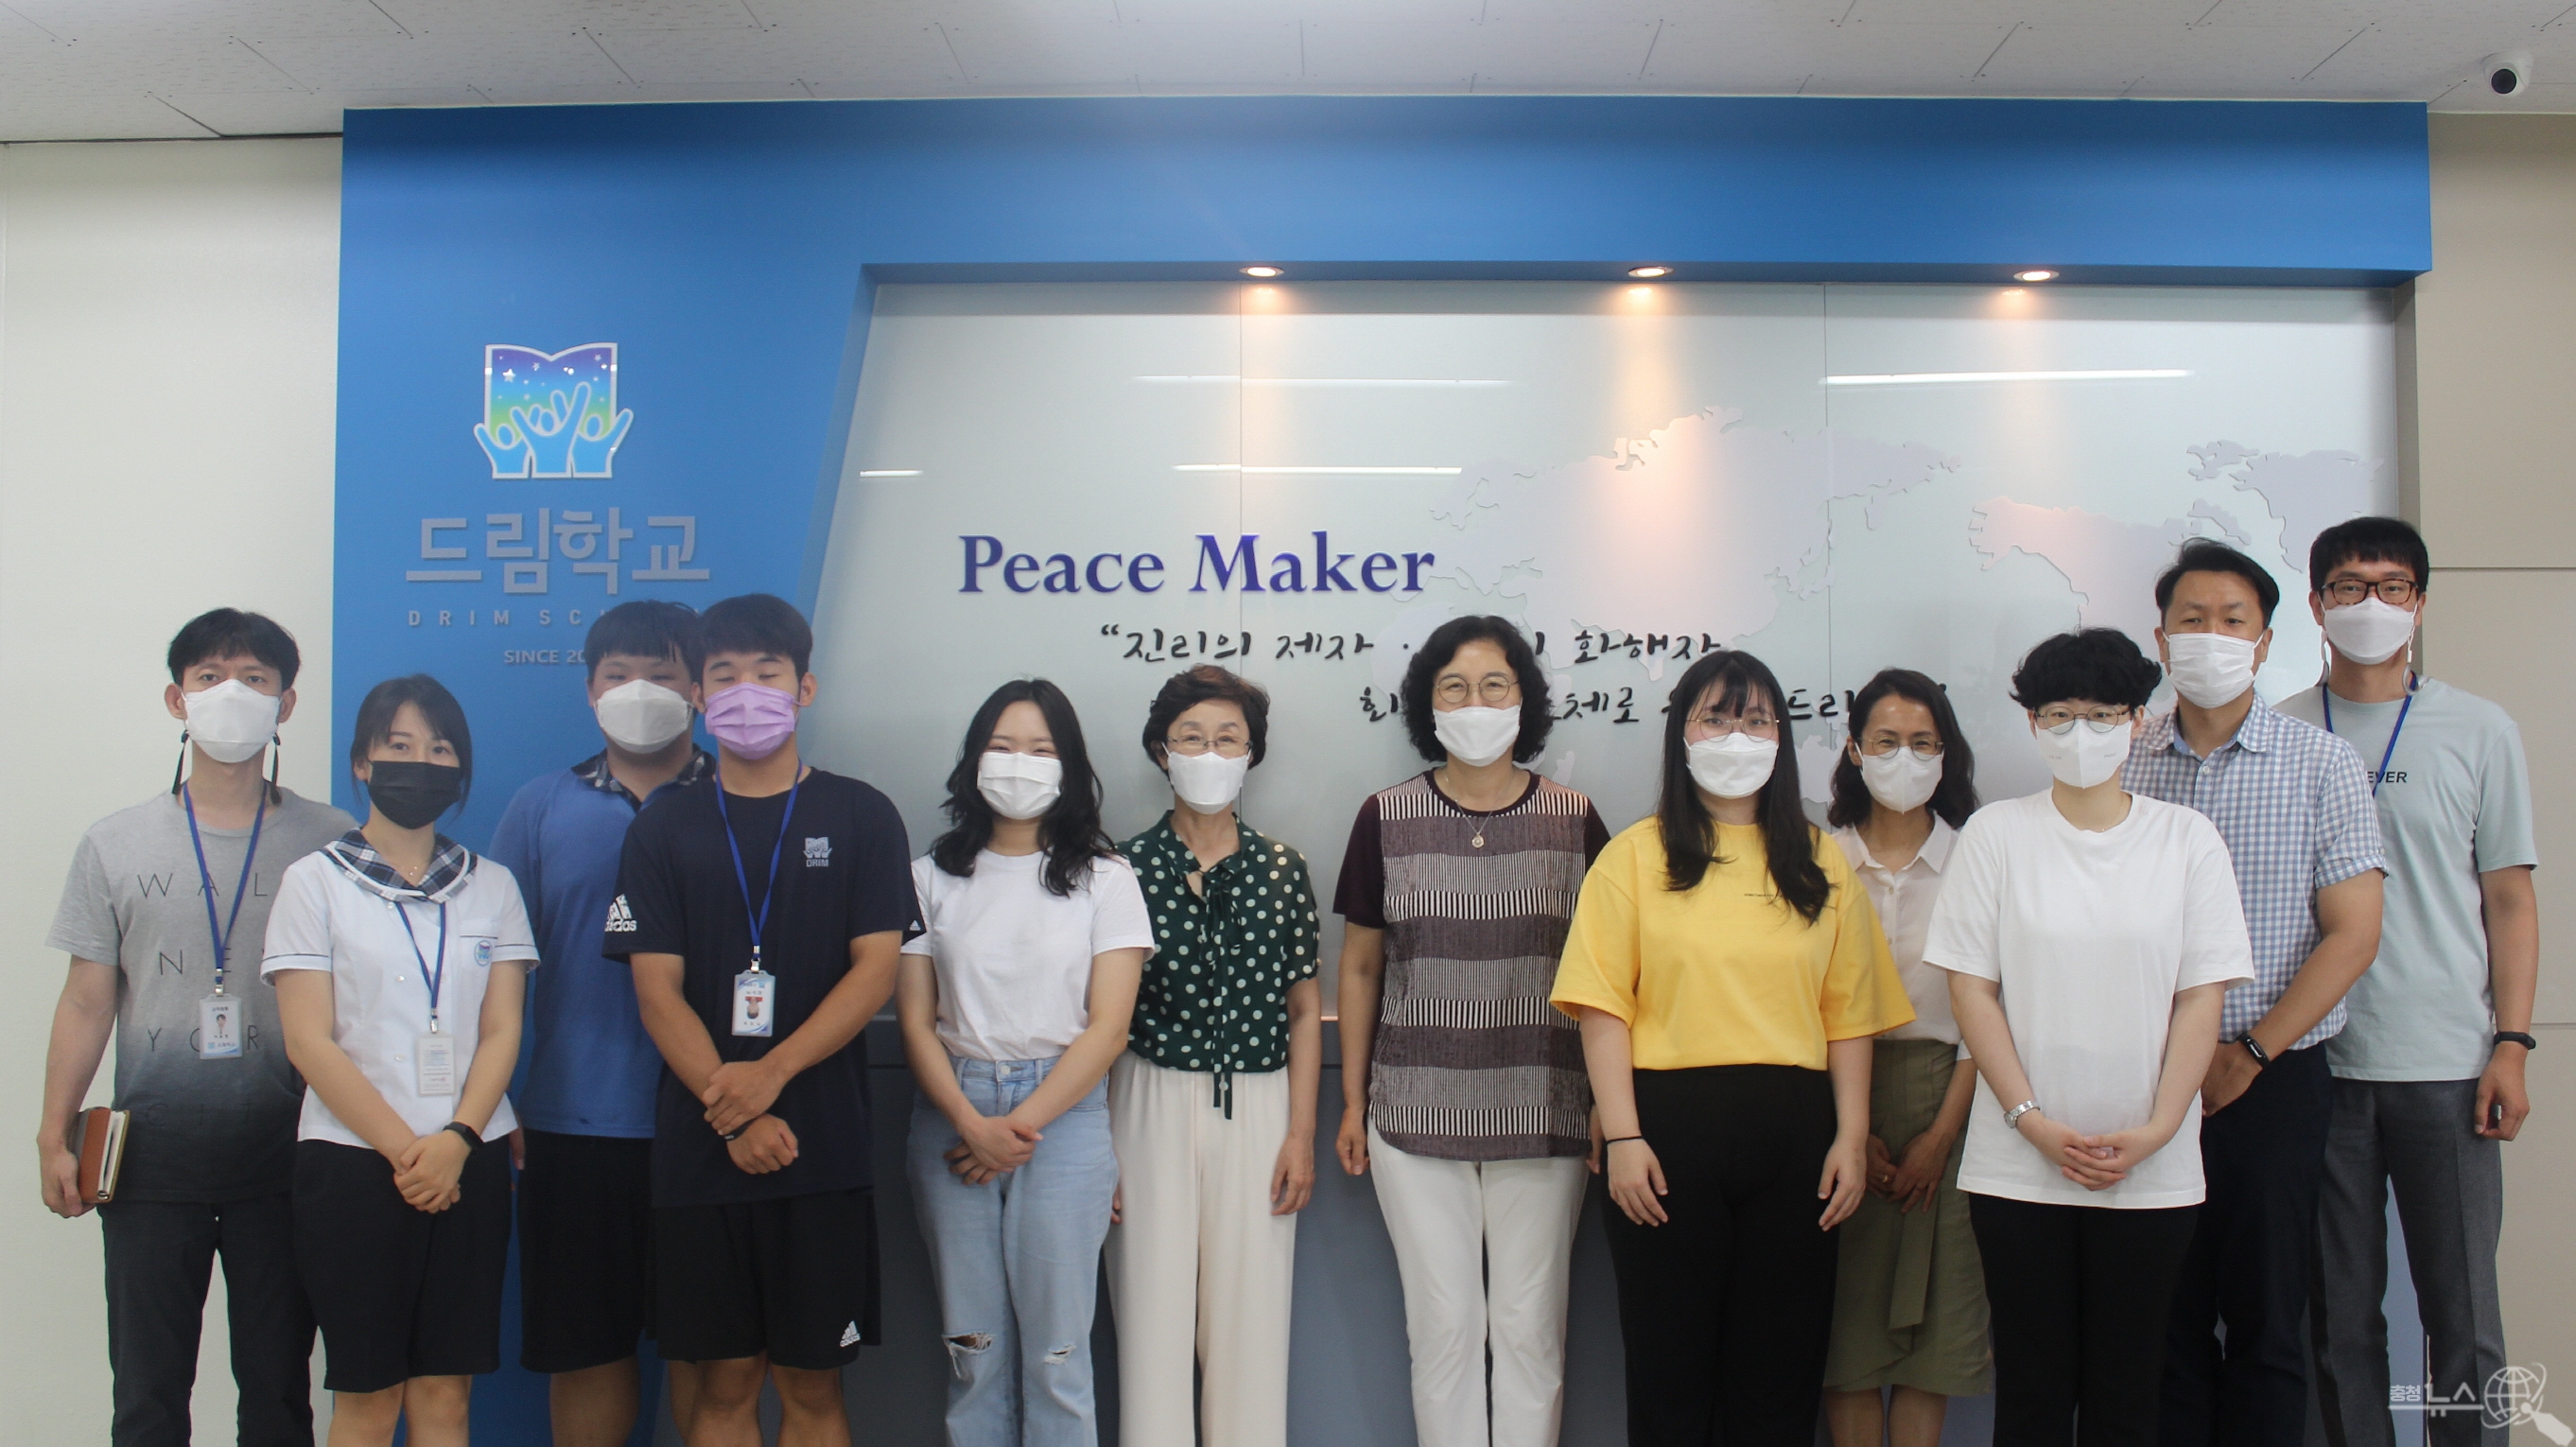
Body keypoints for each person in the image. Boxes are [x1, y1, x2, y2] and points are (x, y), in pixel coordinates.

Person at [1552, 649, 1910, 1445]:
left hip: (1797, 1137)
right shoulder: (1634, 857)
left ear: (1781, 736)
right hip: (1665, 1137)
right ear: (1681, 733)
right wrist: (1624, 1137)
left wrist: (1852, 1137)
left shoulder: (1818, 861)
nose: (1736, 736)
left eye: (1754, 719)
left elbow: (1850, 1015)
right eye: (1715, 718)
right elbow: (1602, 1008)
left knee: (1779, 1378)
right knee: (1670, 1376)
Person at [1923, 628, 2254, 1447]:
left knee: (2128, 1395)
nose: (2081, 733)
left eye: (2103, 714)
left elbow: (2201, 997)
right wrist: (2030, 1120)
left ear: (2138, 719)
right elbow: (1972, 991)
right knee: (2032, 1395)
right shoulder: (1996, 835)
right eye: (2059, 715)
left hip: (2151, 1170)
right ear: (2032, 723)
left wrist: (2159, 1128)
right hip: (2018, 1168)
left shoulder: (2187, 840)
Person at [38, 609, 356, 1447]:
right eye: (210, 677)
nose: (232, 695)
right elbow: (86, 1001)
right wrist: (51, 1134)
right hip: (150, 1159)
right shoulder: (114, 843)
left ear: (286, 704)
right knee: (147, 1395)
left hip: (290, 1155)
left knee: (279, 1394)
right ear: (177, 700)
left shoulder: (333, 843)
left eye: (255, 679)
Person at [606, 593, 917, 1447]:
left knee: (814, 1387)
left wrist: (769, 1076)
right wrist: (734, 1110)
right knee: (724, 1384)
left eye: (767, 674)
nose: (747, 692)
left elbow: (876, 971)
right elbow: (656, 992)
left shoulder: (862, 814)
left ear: (804, 688)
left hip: (823, 1149)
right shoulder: (665, 825)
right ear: (699, 696)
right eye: (726, 675)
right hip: (703, 1151)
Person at [2275, 517, 2538, 1447]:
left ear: (2420, 603)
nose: (2372, 604)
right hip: (2317, 1064)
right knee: (2337, 1321)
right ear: (2316, 606)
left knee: (2464, 1318)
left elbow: (2509, 899)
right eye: (2350, 587)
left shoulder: (2479, 728)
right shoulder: (2279, 732)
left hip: (2448, 1064)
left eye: (2393, 587)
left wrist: (2512, 1044)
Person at [2124, 540, 2386, 1447]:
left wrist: (2253, 1051)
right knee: (2164, 1323)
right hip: (2145, 1082)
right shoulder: (2121, 761)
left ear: (2266, 641)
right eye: (2191, 619)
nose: (2211, 635)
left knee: (2270, 1324)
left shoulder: (2321, 764)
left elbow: (2353, 934)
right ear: (2161, 639)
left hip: (2272, 1081)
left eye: (2232, 620)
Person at [1333, 615, 1609, 1447]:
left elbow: (1607, 977)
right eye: (1454, 688)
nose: (1476, 703)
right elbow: (1360, 969)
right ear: (1429, 704)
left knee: (1531, 1330)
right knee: (1444, 1328)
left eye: (1495, 686)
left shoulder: (1575, 819)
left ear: (1525, 700)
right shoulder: (1385, 817)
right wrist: (1353, 1103)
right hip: (1413, 1111)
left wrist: (1608, 1104)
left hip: (1546, 1107)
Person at [262, 674, 536, 1447]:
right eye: (400, 745)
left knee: (447, 1394)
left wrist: (456, 1141)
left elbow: (503, 1030)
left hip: (470, 1157)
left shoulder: (492, 886)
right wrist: (407, 1152)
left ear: (460, 768)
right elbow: (309, 1040)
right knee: (369, 1396)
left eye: (440, 749)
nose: (421, 762)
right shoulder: (313, 883)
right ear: (363, 762)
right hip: (353, 1163)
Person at [900, 678, 1151, 1447]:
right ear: (974, 760)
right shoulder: (928, 875)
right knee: (971, 1350)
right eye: (1002, 746)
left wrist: (1013, 1130)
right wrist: (971, 1124)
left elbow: (1109, 1028)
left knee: (1057, 1354)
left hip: (1063, 1120)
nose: (1019, 764)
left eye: (1041, 750)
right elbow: (915, 1021)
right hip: (953, 1112)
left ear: (1069, 767)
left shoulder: (1107, 878)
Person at [488, 600, 713, 1446]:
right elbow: (497, 970)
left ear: (697, 688)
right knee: (586, 1352)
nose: (640, 691)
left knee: (710, 1353)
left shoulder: (739, 797)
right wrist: (494, 1100)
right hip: (572, 1122)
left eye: (662, 674)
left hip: (711, 1115)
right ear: (590, 690)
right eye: (619, 675)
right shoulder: (541, 807)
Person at [1108, 666, 1323, 1447]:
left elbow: (1305, 1009)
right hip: (1144, 1096)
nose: (1209, 753)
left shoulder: (1282, 868)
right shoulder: (1118, 869)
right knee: (1150, 1318)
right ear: (1161, 752)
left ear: (1250, 753)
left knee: (1252, 1322)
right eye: (1191, 738)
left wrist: (1301, 1135)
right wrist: (1097, 1145)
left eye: (1227, 738)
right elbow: (1099, 1018)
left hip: (1261, 1100)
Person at [1819, 669, 1992, 1447]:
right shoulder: (1817, 861)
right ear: (1855, 749)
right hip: (1835, 1107)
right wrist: (1853, 1132)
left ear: (1946, 754)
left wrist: (1939, 1137)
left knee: (1937, 1337)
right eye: (1886, 741)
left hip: (1954, 1101)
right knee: (1846, 1338)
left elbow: (1991, 1008)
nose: (1904, 758)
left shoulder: (1978, 858)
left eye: (1923, 743)